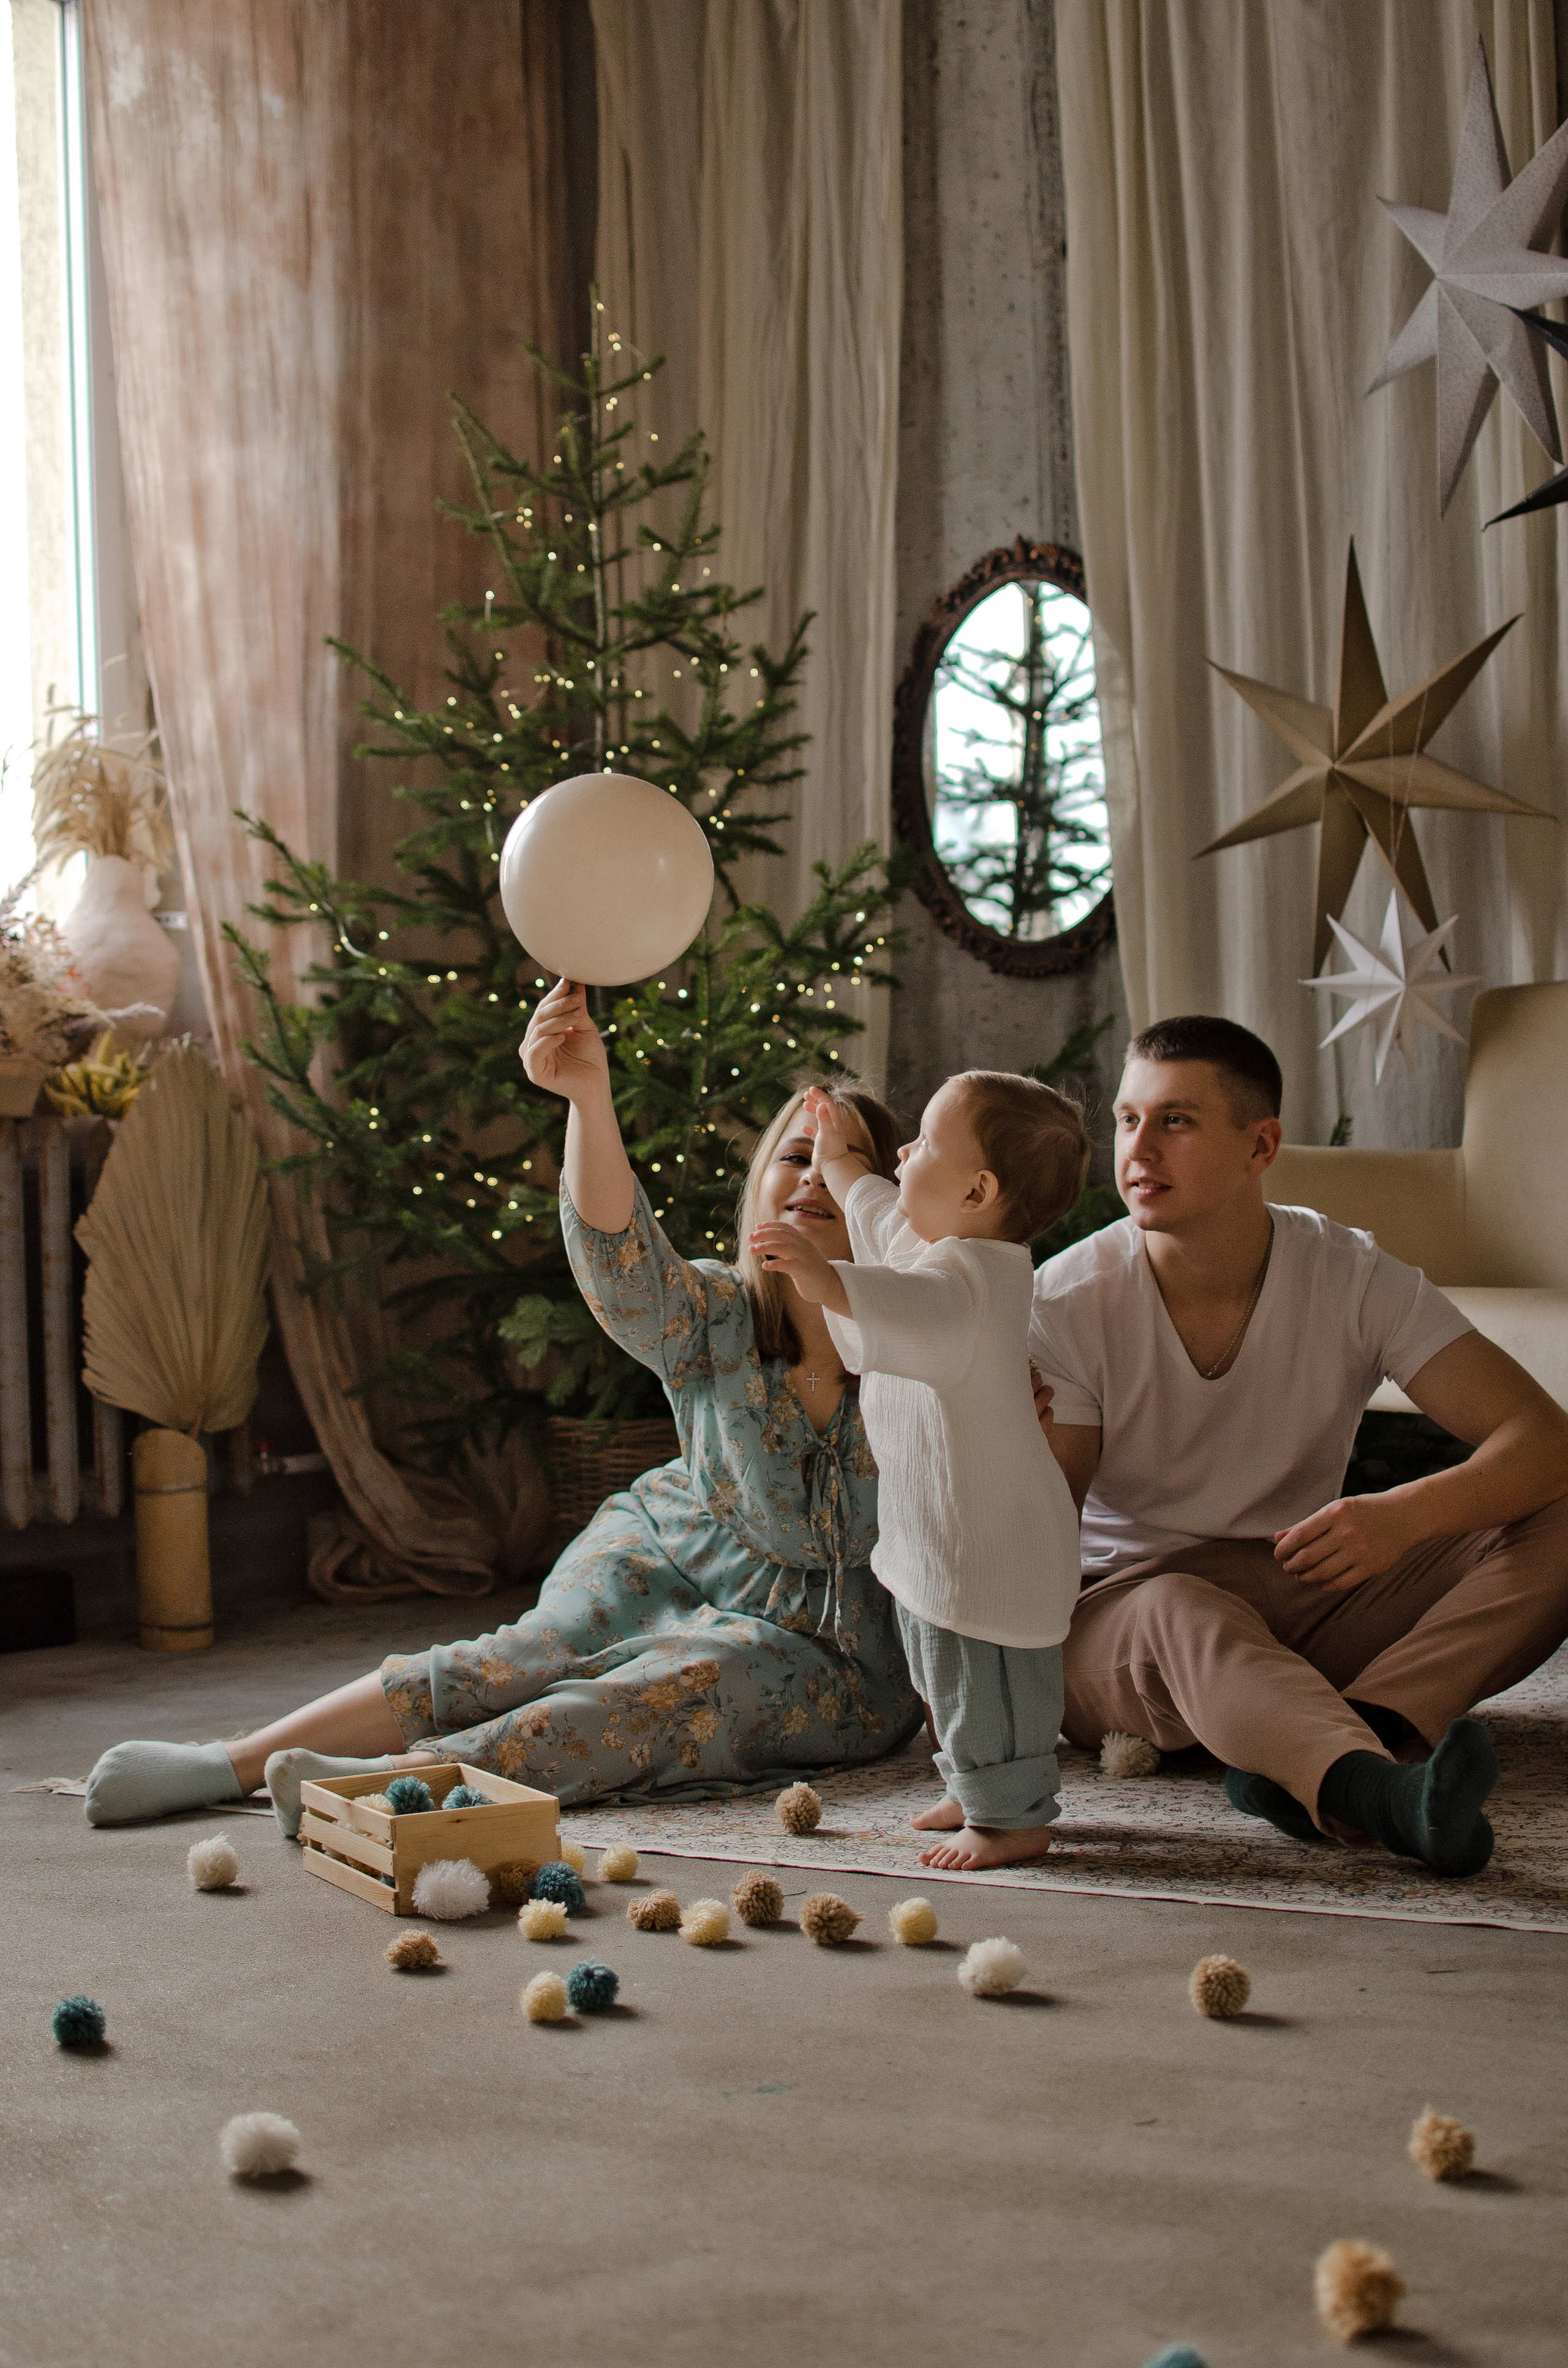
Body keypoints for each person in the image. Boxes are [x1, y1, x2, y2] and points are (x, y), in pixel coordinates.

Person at [83, 983, 921, 1831]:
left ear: (888, 1206)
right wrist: (588, 1097)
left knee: (668, 1692)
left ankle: (381, 1783)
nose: (815, 1175)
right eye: (797, 1153)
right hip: (672, 1547)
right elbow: (624, 1266)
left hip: (830, 1647)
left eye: (847, 1163)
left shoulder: (920, 1361)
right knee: (513, 1658)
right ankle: (233, 1760)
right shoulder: (716, 1313)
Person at [1030, 1013, 1568, 1878]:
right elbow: (1046, 1530)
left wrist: (1404, 1513)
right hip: (1121, 1617)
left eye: (1176, 1120)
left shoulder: (1350, 1273)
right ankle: (1369, 1790)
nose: (1138, 1148)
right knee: (1181, 1605)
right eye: (1129, 1119)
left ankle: (1372, 1725)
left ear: (1261, 1144)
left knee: (1560, 1511)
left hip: (1299, 1586)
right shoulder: (1066, 1301)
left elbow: (1544, 1438)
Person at [751, 1070, 1087, 1870]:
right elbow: (875, 1213)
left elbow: (894, 1298)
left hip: (989, 1535)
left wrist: (817, 1274)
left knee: (989, 1680)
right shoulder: (940, 1247)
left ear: (977, 1190)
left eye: (927, 1140)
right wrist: (836, 1164)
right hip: (937, 1524)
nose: (905, 1149)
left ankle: (1012, 1816)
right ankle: (972, 1784)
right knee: (936, 1662)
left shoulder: (967, 1285)